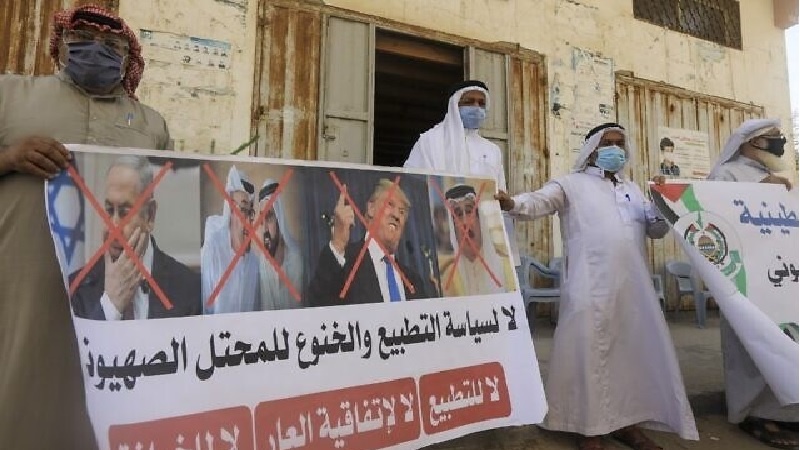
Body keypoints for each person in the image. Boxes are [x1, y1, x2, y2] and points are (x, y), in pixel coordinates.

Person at [0, 6, 169, 448]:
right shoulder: (9, 95)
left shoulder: (151, 125)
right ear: (61, 44)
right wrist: (9, 157)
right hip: (21, 284)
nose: (96, 49)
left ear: (128, 57)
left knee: (101, 404)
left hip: (115, 293)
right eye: (83, 38)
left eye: (111, 44)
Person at [496, 123, 698, 450]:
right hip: (587, 286)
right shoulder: (570, 184)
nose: (615, 149)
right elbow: (536, 202)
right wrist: (510, 203)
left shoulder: (632, 189)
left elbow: (656, 230)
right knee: (588, 355)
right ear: (592, 149)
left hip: (631, 290)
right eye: (608, 143)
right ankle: (589, 429)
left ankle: (628, 424)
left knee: (629, 356)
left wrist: (664, 201)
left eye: (620, 143)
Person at [707, 118, 798, 449]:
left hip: (779, 275)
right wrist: (761, 189)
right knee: (749, 347)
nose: (779, 142)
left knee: (783, 341)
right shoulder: (726, 174)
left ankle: (786, 411)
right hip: (745, 277)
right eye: (772, 137)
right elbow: (717, 216)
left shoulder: (775, 174)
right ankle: (753, 414)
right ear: (751, 141)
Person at [69, 156, 201, 320]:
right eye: (109, 210)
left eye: (125, 213)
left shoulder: (190, 289)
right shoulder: (75, 289)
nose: (113, 226)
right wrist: (111, 305)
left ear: (150, 216)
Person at [403, 80, 519, 265]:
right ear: (454, 105)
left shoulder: (492, 150)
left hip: (481, 236)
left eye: (481, 103)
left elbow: (498, 196)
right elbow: (409, 184)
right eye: (469, 102)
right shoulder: (429, 141)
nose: (476, 108)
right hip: (437, 236)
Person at [306, 178, 434, 307]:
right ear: (371, 208)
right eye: (390, 204)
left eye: (402, 212)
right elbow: (316, 303)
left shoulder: (414, 280)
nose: (397, 215)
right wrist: (338, 243)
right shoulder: (344, 261)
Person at [201, 165, 260, 314]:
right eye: (243, 210)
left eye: (249, 212)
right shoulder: (213, 252)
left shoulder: (253, 263)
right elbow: (204, 310)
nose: (248, 219)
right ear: (230, 212)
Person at [439, 184, 516, 296]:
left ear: (480, 221)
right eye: (458, 214)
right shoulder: (449, 278)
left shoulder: (506, 268)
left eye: (469, 211)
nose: (465, 222)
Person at [256, 178, 304, 310]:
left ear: (280, 219)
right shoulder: (263, 261)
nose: (264, 228)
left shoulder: (296, 258)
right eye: (261, 219)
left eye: (269, 217)